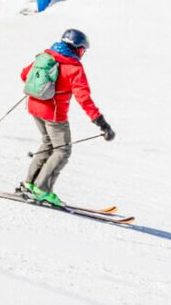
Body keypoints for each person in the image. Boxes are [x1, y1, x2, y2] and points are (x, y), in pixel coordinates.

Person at [17, 27, 113, 207]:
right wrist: (101, 122)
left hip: (34, 106)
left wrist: (44, 85)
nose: (83, 54)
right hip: (54, 114)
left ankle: (29, 184)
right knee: (62, 150)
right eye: (83, 50)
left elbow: (24, 74)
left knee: (47, 143)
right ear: (77, 48)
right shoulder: (74, 68)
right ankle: (42, 190)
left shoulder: (45, 56)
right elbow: (83, 98)